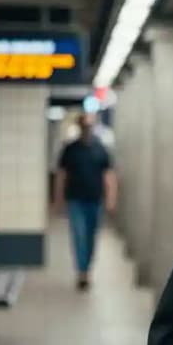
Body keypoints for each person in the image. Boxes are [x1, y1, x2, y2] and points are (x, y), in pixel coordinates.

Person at [54, 113, 117, 288]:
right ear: (79, 127)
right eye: (84, 126)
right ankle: (82, 272)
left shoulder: (101, 149)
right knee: (79, 235)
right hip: (75, 200)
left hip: (95, 200)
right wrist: (58, 199)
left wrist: (111, 198)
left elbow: (109, 175)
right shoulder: (70, 149)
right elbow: (62, 176)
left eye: (89, 127)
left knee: (91, 236)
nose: (86, 130)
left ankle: (86, 268)